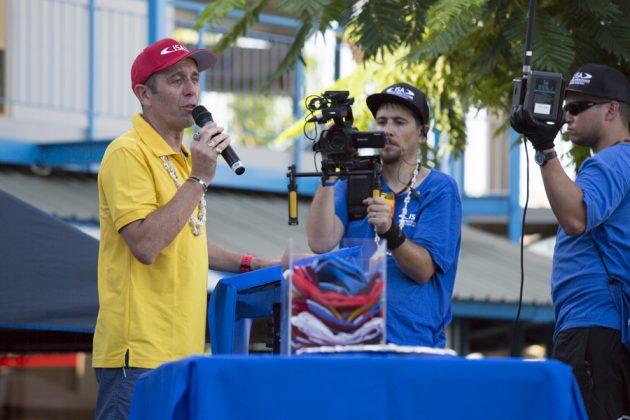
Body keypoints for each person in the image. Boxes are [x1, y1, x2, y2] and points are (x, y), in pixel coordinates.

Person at [92, 38, 276, 419]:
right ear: (144, 93)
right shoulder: (128, 152)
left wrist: (254, 263)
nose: (192, 89)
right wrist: (199, 180)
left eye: (194, 78)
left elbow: (186, 240)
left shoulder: (181, 160)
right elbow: (146, 244)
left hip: (184, 354)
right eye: (176, 80)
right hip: (140, 356)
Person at [512, 63, 630, 418]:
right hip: (600, 328)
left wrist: (546, 150)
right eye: (565, 107)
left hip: (594, 326)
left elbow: (576, 218)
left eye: (577, 107)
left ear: (612, 109)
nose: (565, 117)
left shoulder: (612, 161)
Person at [306, 82, 462, 347]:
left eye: (399, 122)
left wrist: (391, 232)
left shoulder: (439, 188)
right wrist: (329, 170)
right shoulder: (352, 180)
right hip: (352, 337)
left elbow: (423, 270)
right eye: (381, 122)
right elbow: (320, 242)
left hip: (413, 344)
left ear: (422, 133)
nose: (388, 131)